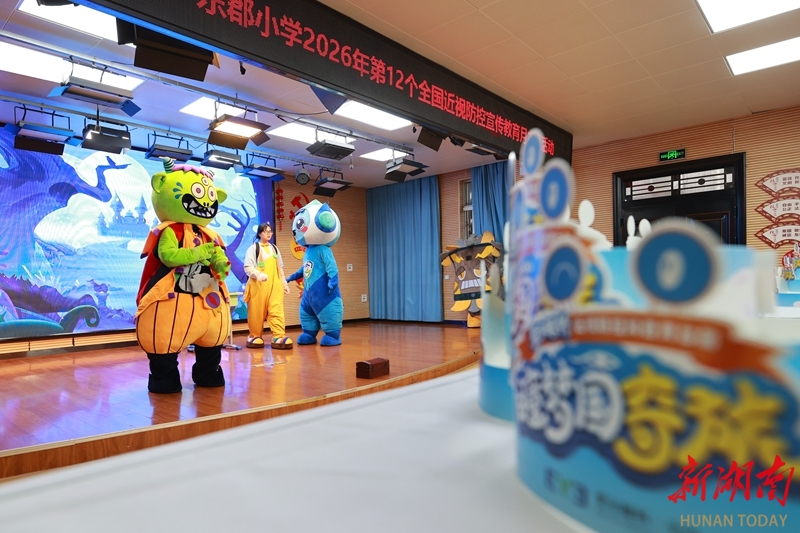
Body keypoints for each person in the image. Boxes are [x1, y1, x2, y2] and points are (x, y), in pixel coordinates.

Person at [243, 222, 293, 350]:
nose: (269, 233)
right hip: (258, 286)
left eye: (270, 231)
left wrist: (284, 283)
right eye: (266, 231)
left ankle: (278, 336)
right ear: (260, 233)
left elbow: (280, 268)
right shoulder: (254, 248)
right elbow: (248, 267)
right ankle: (255, 335)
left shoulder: (274, 249)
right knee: (256, 311)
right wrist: (258, 274)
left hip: (275, 286)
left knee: (277, 309)